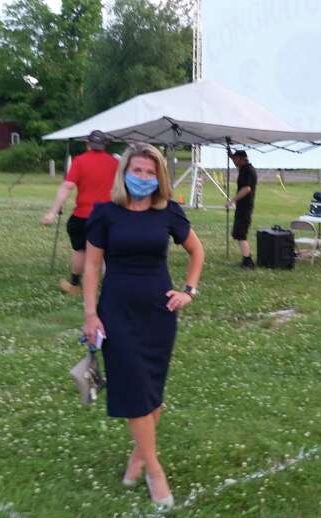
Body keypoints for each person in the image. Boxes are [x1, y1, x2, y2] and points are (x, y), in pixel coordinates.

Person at [81, 143, 204, 511]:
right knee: (134, 388)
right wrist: (90, 314)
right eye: (138, 171)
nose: (144, 178)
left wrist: (189, 291)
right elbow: (90, 267)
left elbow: (197, 252)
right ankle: (154, 469)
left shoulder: (169, 212)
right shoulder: (105, 214)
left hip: (158, 312)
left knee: (152, 390)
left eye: (151, 173)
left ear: (160, 177)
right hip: (116, 312)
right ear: (124, 173)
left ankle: (138, 455)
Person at [41, 130, 119, 295]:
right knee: (105, 252)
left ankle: (75, 284)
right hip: (107, 216)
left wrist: (53, 212)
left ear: (87, 143)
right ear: (105, 145)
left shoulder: (79, 161)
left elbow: (67, 186)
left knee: (80, 250)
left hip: (82, 216)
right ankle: (110, 287)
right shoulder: (115, 163)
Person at [224, 149, 257, 268]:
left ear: (242, 158)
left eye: (235, 159)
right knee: (239, 233)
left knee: (241, 233)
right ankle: (246, 257)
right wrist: (229, 152)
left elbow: (246, 188)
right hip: (244, 206)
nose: (233, 161)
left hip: (245, 207)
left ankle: (248, 261)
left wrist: (232, 201)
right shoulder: (245, 168)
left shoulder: (246, 170)